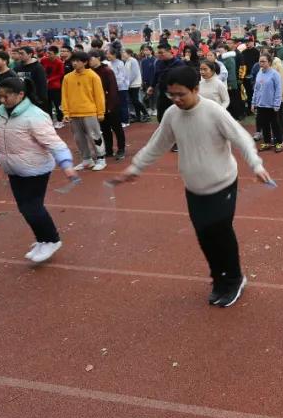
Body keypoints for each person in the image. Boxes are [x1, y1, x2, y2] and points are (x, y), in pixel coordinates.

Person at [116, 66, 273, 308]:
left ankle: (234, 279)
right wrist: (135, 167)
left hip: (223, 183)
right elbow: (156, 144)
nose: (176, 100)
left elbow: (241, 137)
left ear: (196, 89)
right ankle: (218, 278)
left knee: (220, 231)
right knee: (204, 236)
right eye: (172, 95)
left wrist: (256, 165)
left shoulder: (213, 112)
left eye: (181, 94)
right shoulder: (171, 115)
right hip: (194, 187)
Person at [0, 77, 76, 264]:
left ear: (21, 94)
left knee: (32, 208)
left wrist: (66, 164)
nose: (2, 100)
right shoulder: (2, 113)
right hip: (14, 168)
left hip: (35, 169)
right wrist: (0, 155)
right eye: (0, 97)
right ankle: (42, 239)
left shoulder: (35, 116)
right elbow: (10, 139)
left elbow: (55, 143)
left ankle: (52, 240)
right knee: (25, 208)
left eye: (6, 97)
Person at [61, 50, 106, 171]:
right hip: (74, 113)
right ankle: (87, 159)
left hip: (89, 112)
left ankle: (101, 158)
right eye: (73, 61)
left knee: (94, 136)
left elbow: (99, 95)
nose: (74, 63)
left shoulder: (93, 76)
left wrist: (101, 112)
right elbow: (64, 96)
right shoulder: (67, 78)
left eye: (77, 61)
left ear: (85, 62)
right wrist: (66, 112)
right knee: (79, 138)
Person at [89, 51, 125, 161]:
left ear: (98, 58)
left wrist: (110, 106)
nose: (90, 61)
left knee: (116, 128)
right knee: (104, 129)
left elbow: (113, 90)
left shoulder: (107, 71)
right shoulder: (90, 72)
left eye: (91, 59)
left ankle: (121, 149)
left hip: (111, 105)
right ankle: (108, 149)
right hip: (98, 106)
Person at [251, 54, 283, 152]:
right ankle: (267, 142)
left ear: (269, 62)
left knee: (275, 125)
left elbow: (278, 90)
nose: (261, 63)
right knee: (264, 125)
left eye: (263, 61)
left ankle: (279, 143)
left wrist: (277, 104)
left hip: (272, 105)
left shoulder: (275, 74)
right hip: (261, 104)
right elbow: (256, 89)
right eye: (260, 61)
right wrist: (253, 102)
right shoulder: (259, 72)